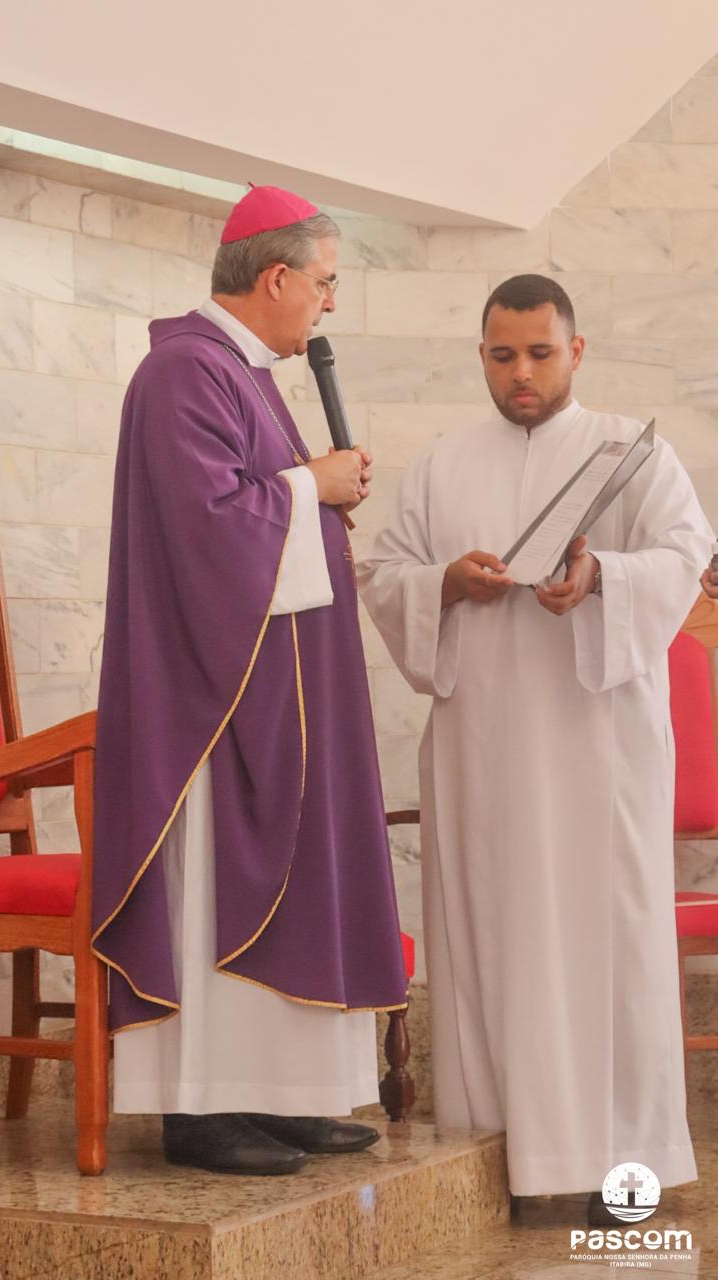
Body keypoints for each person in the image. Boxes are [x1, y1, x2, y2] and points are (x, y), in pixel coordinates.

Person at [357, 274, 713, 1220]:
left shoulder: (632, 454)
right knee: (493, 935)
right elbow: (382, 572)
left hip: (598, 749)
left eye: (540, 354)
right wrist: (445, 581)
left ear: (575, 351)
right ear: (480, 355)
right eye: (502, 355)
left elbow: (685, 557)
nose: (521, 373)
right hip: (481, 751)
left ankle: (618, 1162)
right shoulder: (442, 463)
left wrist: (600, 577)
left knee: (605, 942)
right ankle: (497, 1158)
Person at [92, 185, 408, 1176]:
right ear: (275, 277)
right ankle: (200, 1106)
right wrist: (312, 485)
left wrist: (310, 491)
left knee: (293, 880)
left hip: (275, 690)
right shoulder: (184, 371)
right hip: (214, 703)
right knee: (215, 886)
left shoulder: (242, 373)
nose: (328, 304)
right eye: (324, 283)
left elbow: (253, 505)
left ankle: (283, 1095)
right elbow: (209, 527)